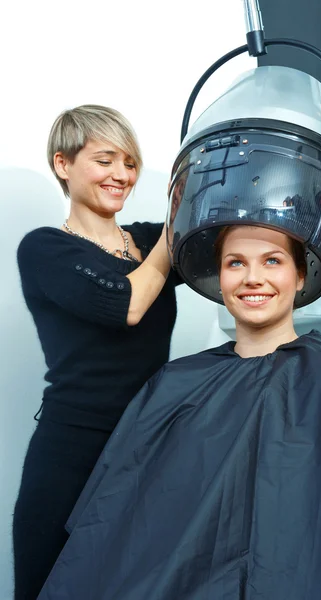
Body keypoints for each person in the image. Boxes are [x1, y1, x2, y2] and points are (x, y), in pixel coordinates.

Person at [38, 225, 321, 600]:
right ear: (220, 276)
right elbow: (111, 529)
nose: (252, 278)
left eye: (272, 261)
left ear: (300, 274)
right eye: (235, 263)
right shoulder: (175, 384)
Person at [13, 104, 183, 600]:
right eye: (106, 159)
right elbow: (124, 303)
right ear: (63, 165)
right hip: (71, 454)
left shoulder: (151, 241)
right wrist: (177, 231)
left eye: (130, 163)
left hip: (148, 449)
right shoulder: (44, 248)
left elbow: (240, 262)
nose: (122, 175)